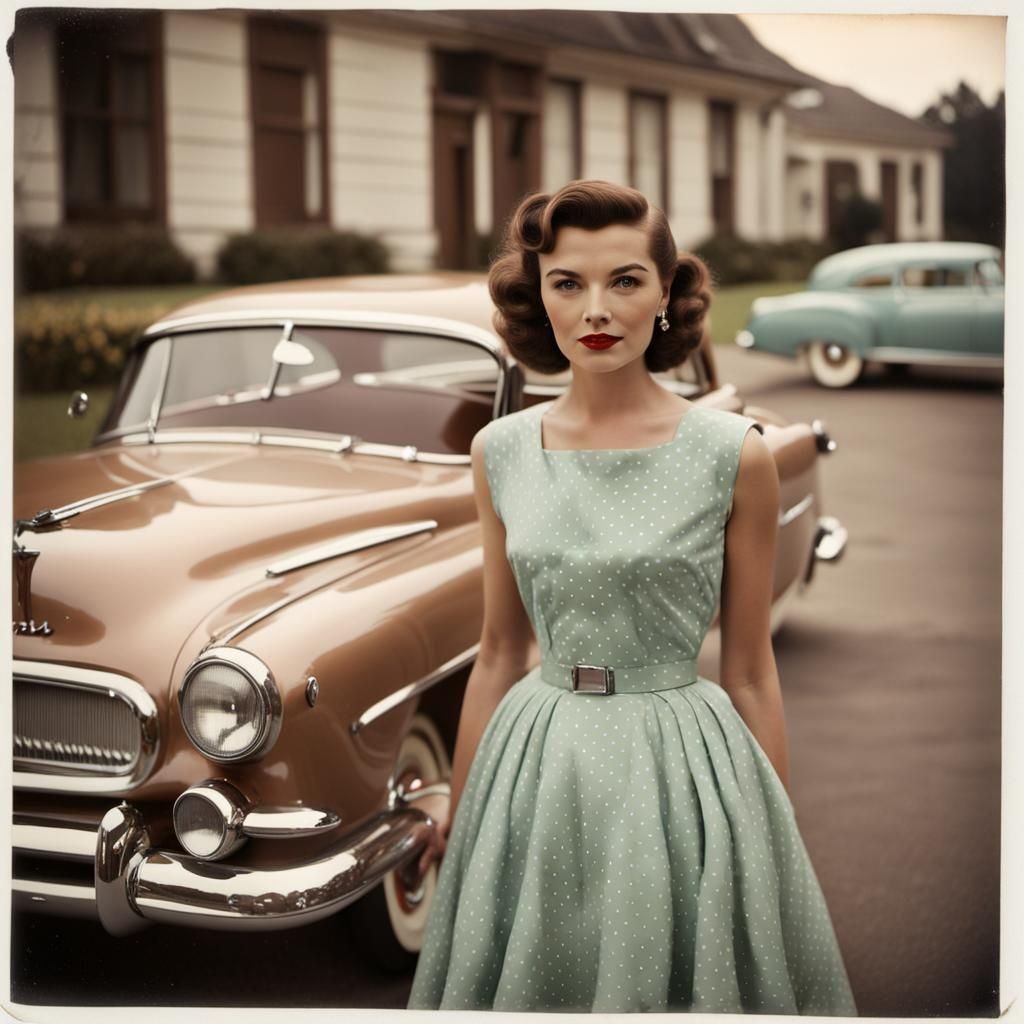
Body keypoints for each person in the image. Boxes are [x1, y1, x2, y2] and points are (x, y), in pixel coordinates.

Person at [405, 179, 857, 1015]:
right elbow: (501, 653)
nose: (595, 309)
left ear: (665, 295)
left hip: (678, 767)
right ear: (541, 300)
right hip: (534, 769)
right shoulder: (499, 450)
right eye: (567, 283)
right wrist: (461, 814)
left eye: (624, 280)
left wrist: (773, 835)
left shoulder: (733, 454)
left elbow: (751, 670)